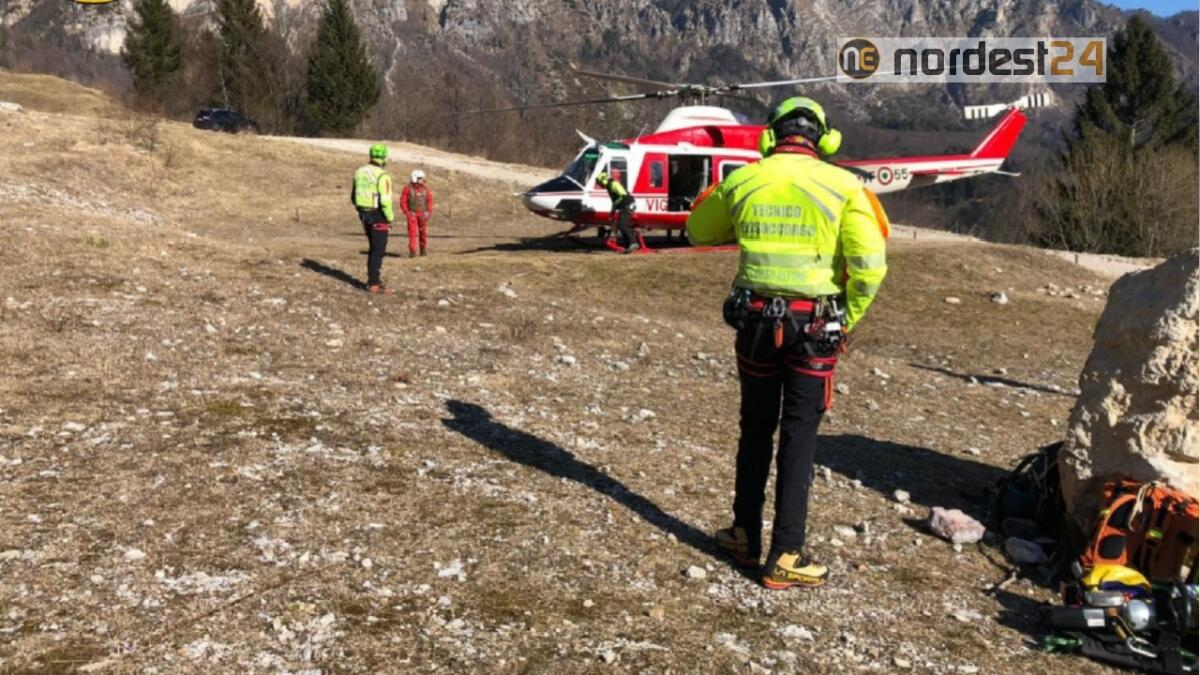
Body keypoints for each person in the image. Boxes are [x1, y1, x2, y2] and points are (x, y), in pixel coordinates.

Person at [685, 96, 889, 590]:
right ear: (825, 139)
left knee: (754, 429)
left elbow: (697, 230)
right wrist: (849, 321)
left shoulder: (744, 178)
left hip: (754, 324)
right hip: (816, 329)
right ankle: (786, 554)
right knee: (799, 439)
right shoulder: (846, 187)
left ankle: (743, 534)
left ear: (770, 136)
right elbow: (870, 266)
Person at [350, 143, 396, 293]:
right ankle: (374, 283)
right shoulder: (383, 175)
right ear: (384, 157)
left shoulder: (359, 172)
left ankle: (373, 279)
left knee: (373, 247)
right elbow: (386, 199)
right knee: (378, 249)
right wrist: (389, 217)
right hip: (378, 215)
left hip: (363, 214)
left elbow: (353, 195)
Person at [595, 170, 639, 253]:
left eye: (600, 183)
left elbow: (623, 195)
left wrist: (615, 205)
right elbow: (615, 202)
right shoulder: (609, 187)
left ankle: (633, 243)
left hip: (628, 205)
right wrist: (611, 213)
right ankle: (628, 245)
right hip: (624, 206)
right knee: (620, 225)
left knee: (622, 225)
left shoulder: (614, 184)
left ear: (603, 180)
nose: (600, 186)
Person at [401, 169, 435, 257]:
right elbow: (403, 201)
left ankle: (423, 250)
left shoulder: (425, 189)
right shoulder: (407, 188)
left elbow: (429, 201)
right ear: (415, 178)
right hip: (412, 214)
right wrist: (407, 212)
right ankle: (412, 251)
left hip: (423, 214)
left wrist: (428, 212)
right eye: (420, 178)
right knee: (412, 233)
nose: (422, 180)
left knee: (423, 232)